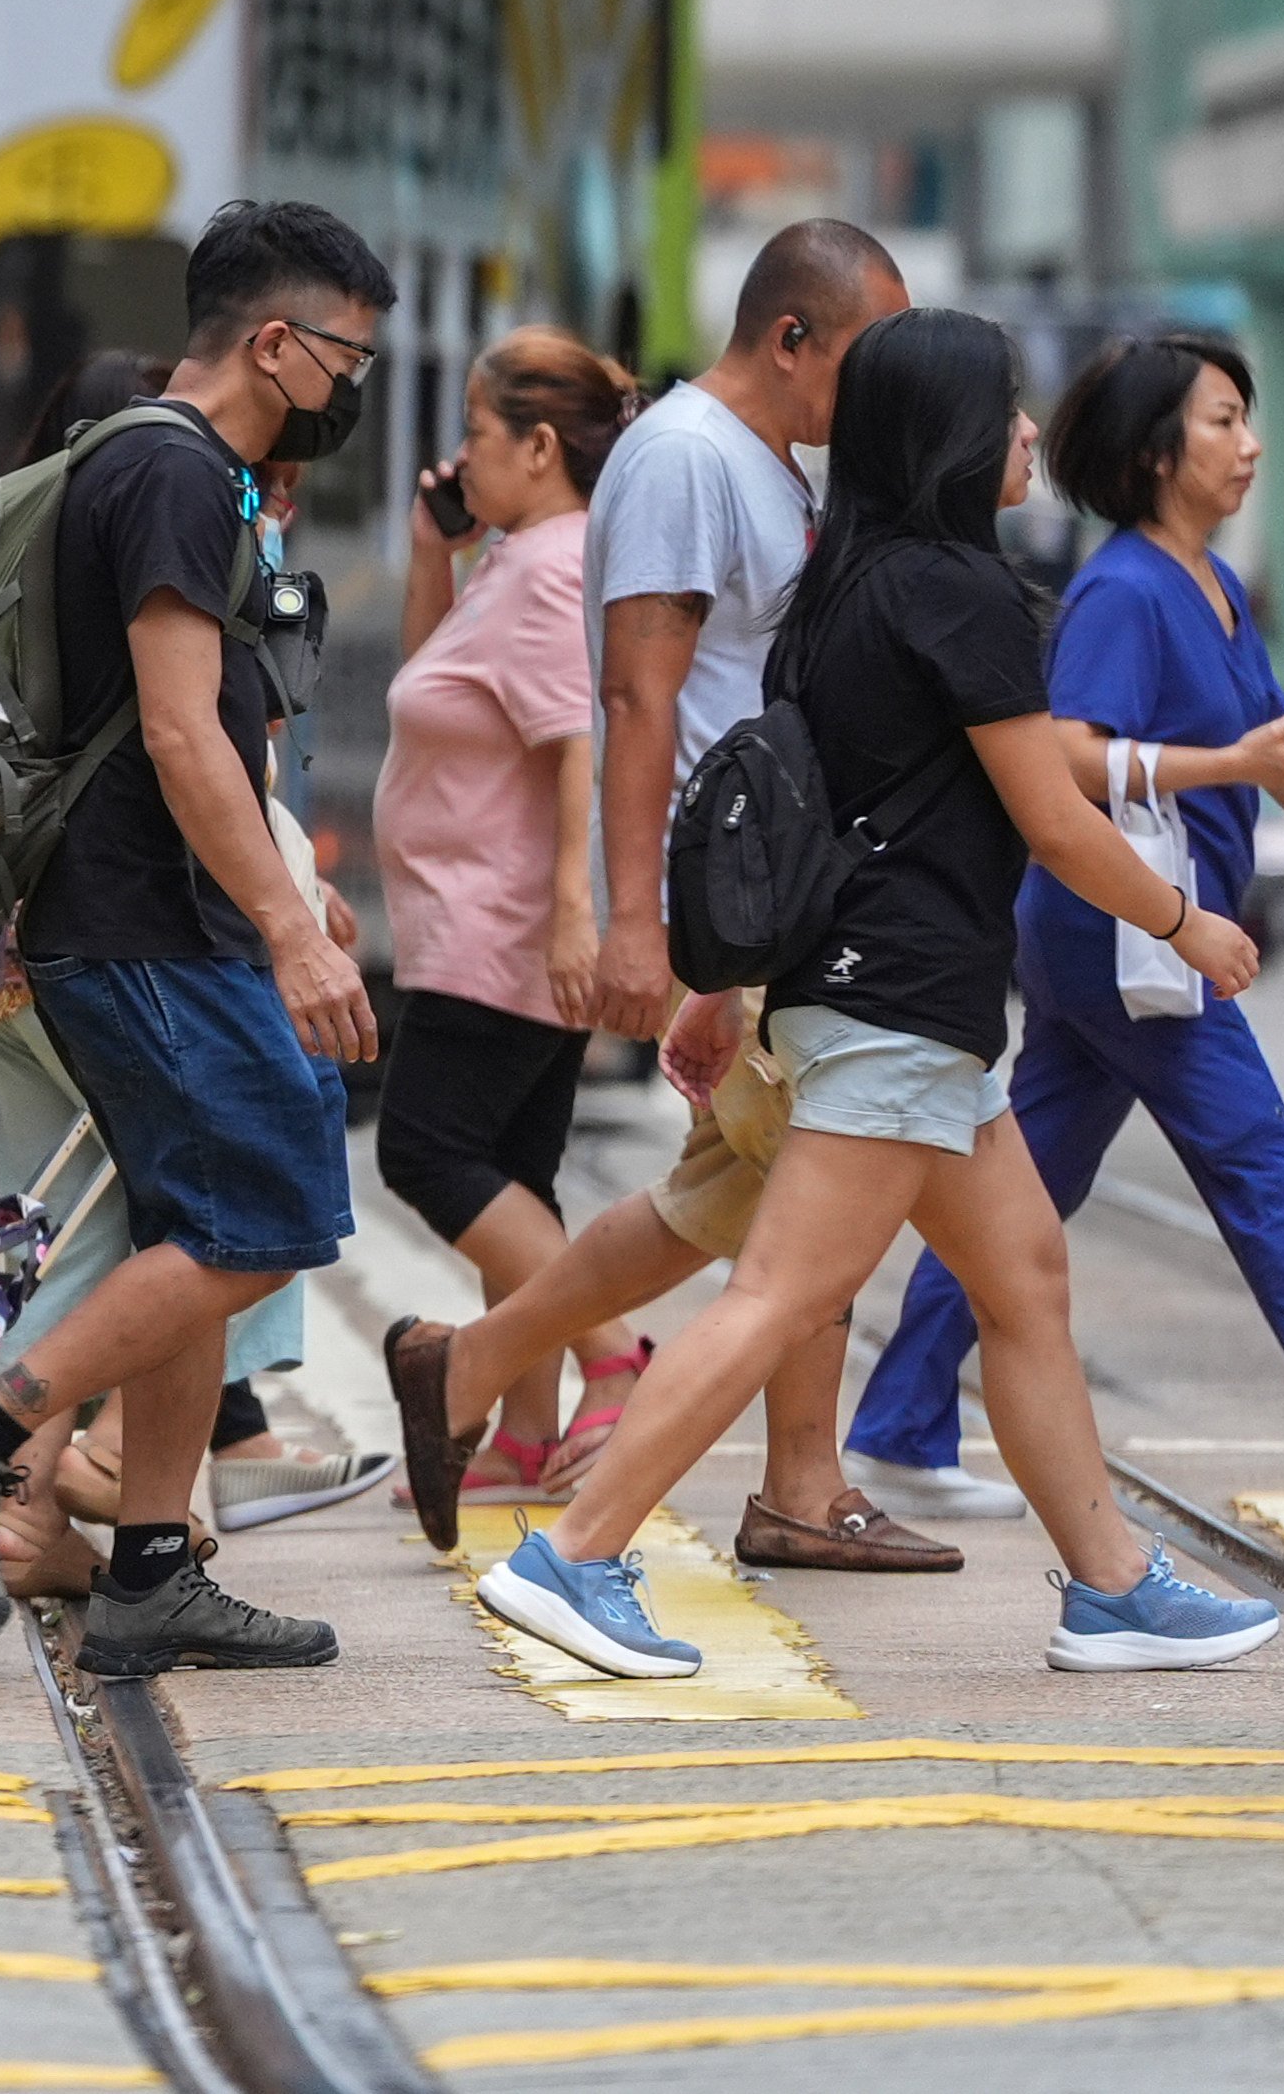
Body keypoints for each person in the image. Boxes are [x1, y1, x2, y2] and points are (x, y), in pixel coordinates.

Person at [482, 310, 1284, 1681]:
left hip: (886, 1000)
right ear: (957, 433)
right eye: (1011, 410)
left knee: (1024, 1275)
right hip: (899, 1002)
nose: (1032, 433)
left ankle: (1111, 1586)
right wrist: (1184, 919)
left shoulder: (839, 585)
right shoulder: (959, 596)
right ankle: (576, 1550)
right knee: (784, 1293)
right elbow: (1050, 813)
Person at [0, 201, 397, 1681]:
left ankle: (155, 1564)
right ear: (275, 342)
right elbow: (179, 728)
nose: (350, 391)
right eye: (346, 357)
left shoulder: (166, 466)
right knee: (268, 1214)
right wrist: (292, 931)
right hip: (148, 919)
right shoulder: (171, 473)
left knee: (194, 1225)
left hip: (137, 916)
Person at [382, 221, 955, 1578]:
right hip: (737, 893)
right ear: (790, 338)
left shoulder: (763, 469)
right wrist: (639, 921)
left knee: (759, 1197)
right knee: (807, 1190)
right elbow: (637, 692)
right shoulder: (693, 458)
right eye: (864, 359)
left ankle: (472, 1370)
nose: (875, 395)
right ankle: (775, 1485)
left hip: (779, 894)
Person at [849, 330, 1284, 1512]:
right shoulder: (1124, 590)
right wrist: (1221, 763)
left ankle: (898, 1424)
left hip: (1117, 941)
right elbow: (1071, 755)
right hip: (1129, 935)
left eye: (1246, 420)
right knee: (1261, 1162)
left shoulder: (1215, 585)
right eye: (1222, 420)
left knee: (1023, 1183)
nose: (1248, 445)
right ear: (1152, 454)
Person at [368, 330, 641, 1503]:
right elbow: (443, 681)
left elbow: (579, 741)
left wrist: (577, 916)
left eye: (476, 436)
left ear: (538, 447)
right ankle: (526, 1432)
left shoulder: (545, 567)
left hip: (504, 927)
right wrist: (439, 549)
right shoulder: (525, 556)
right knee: (511, 1177)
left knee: (425, 1150)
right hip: (491, 923)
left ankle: (609, 1353)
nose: (459, 459)